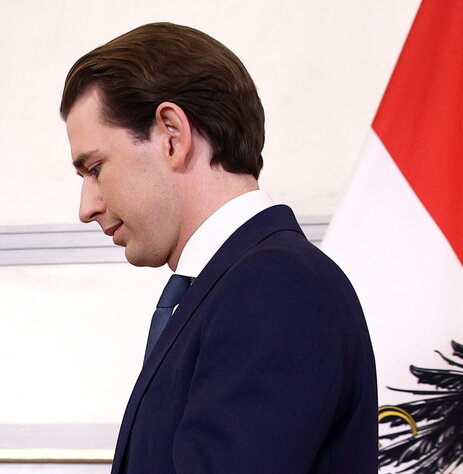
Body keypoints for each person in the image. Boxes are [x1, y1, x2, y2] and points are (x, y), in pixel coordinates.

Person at [60, 22, 377, 473]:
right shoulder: (235, 285)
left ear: (172, 135)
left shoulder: (274, 286)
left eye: (95, 168)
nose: (87, 207)